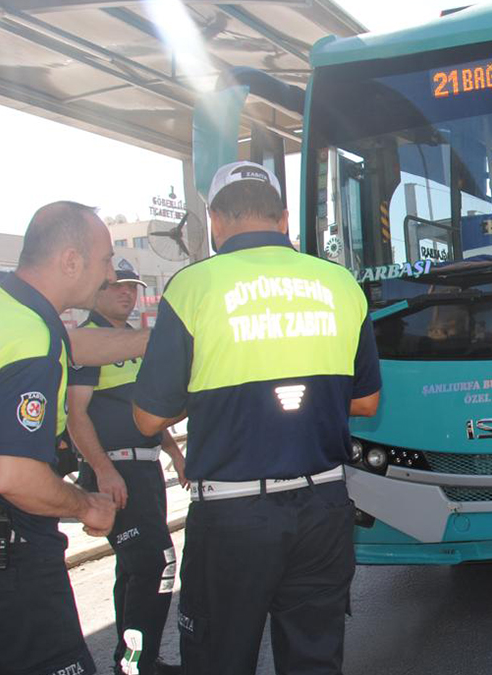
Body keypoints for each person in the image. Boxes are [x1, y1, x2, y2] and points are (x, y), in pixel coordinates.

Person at [133, 161, 382, 674]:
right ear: (284, 218)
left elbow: (147, 418)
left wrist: (216, 399)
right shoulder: (340, 284)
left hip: (232, 513)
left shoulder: (192, 287)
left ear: (215, 220)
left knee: (219, 659)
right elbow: (366, 402)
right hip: (323, 506)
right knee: (314, 660)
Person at [0, 201, 126, 675]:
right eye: (105, 261)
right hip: (7, 550)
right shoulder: (31, 340)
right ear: (71, 261)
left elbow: (75, 345)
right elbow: (10, 474)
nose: (110, 276)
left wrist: (158, 340)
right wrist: (86, 505)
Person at [69, 260, 187, 675]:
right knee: (158, 562)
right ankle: (137, 662)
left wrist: (175, 454)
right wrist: (103, 470)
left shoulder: (135, 341)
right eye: (117, 286)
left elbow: (146, 412)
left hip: (146, 472)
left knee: (134, 569)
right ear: (97, 292)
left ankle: (133, 661)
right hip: (116, 473)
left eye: (132, 286)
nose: (127, 293)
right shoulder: (89, 341)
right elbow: (75, 415)